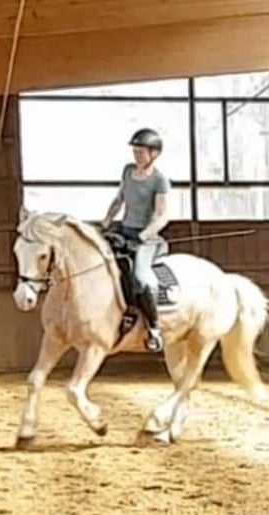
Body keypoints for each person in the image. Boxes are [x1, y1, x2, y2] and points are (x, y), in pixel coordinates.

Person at [101, 128, 171, 352]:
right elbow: (120, 198)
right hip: (124, 230)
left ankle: (154, 328)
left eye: (141, 152)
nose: (136, 155)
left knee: (140, 277)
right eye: (135, 151)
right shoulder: (128, 171)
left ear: (154, 153)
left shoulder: (160, 181)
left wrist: (143, 236)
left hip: (147, 238)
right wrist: (108, 218)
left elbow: (163, 216)